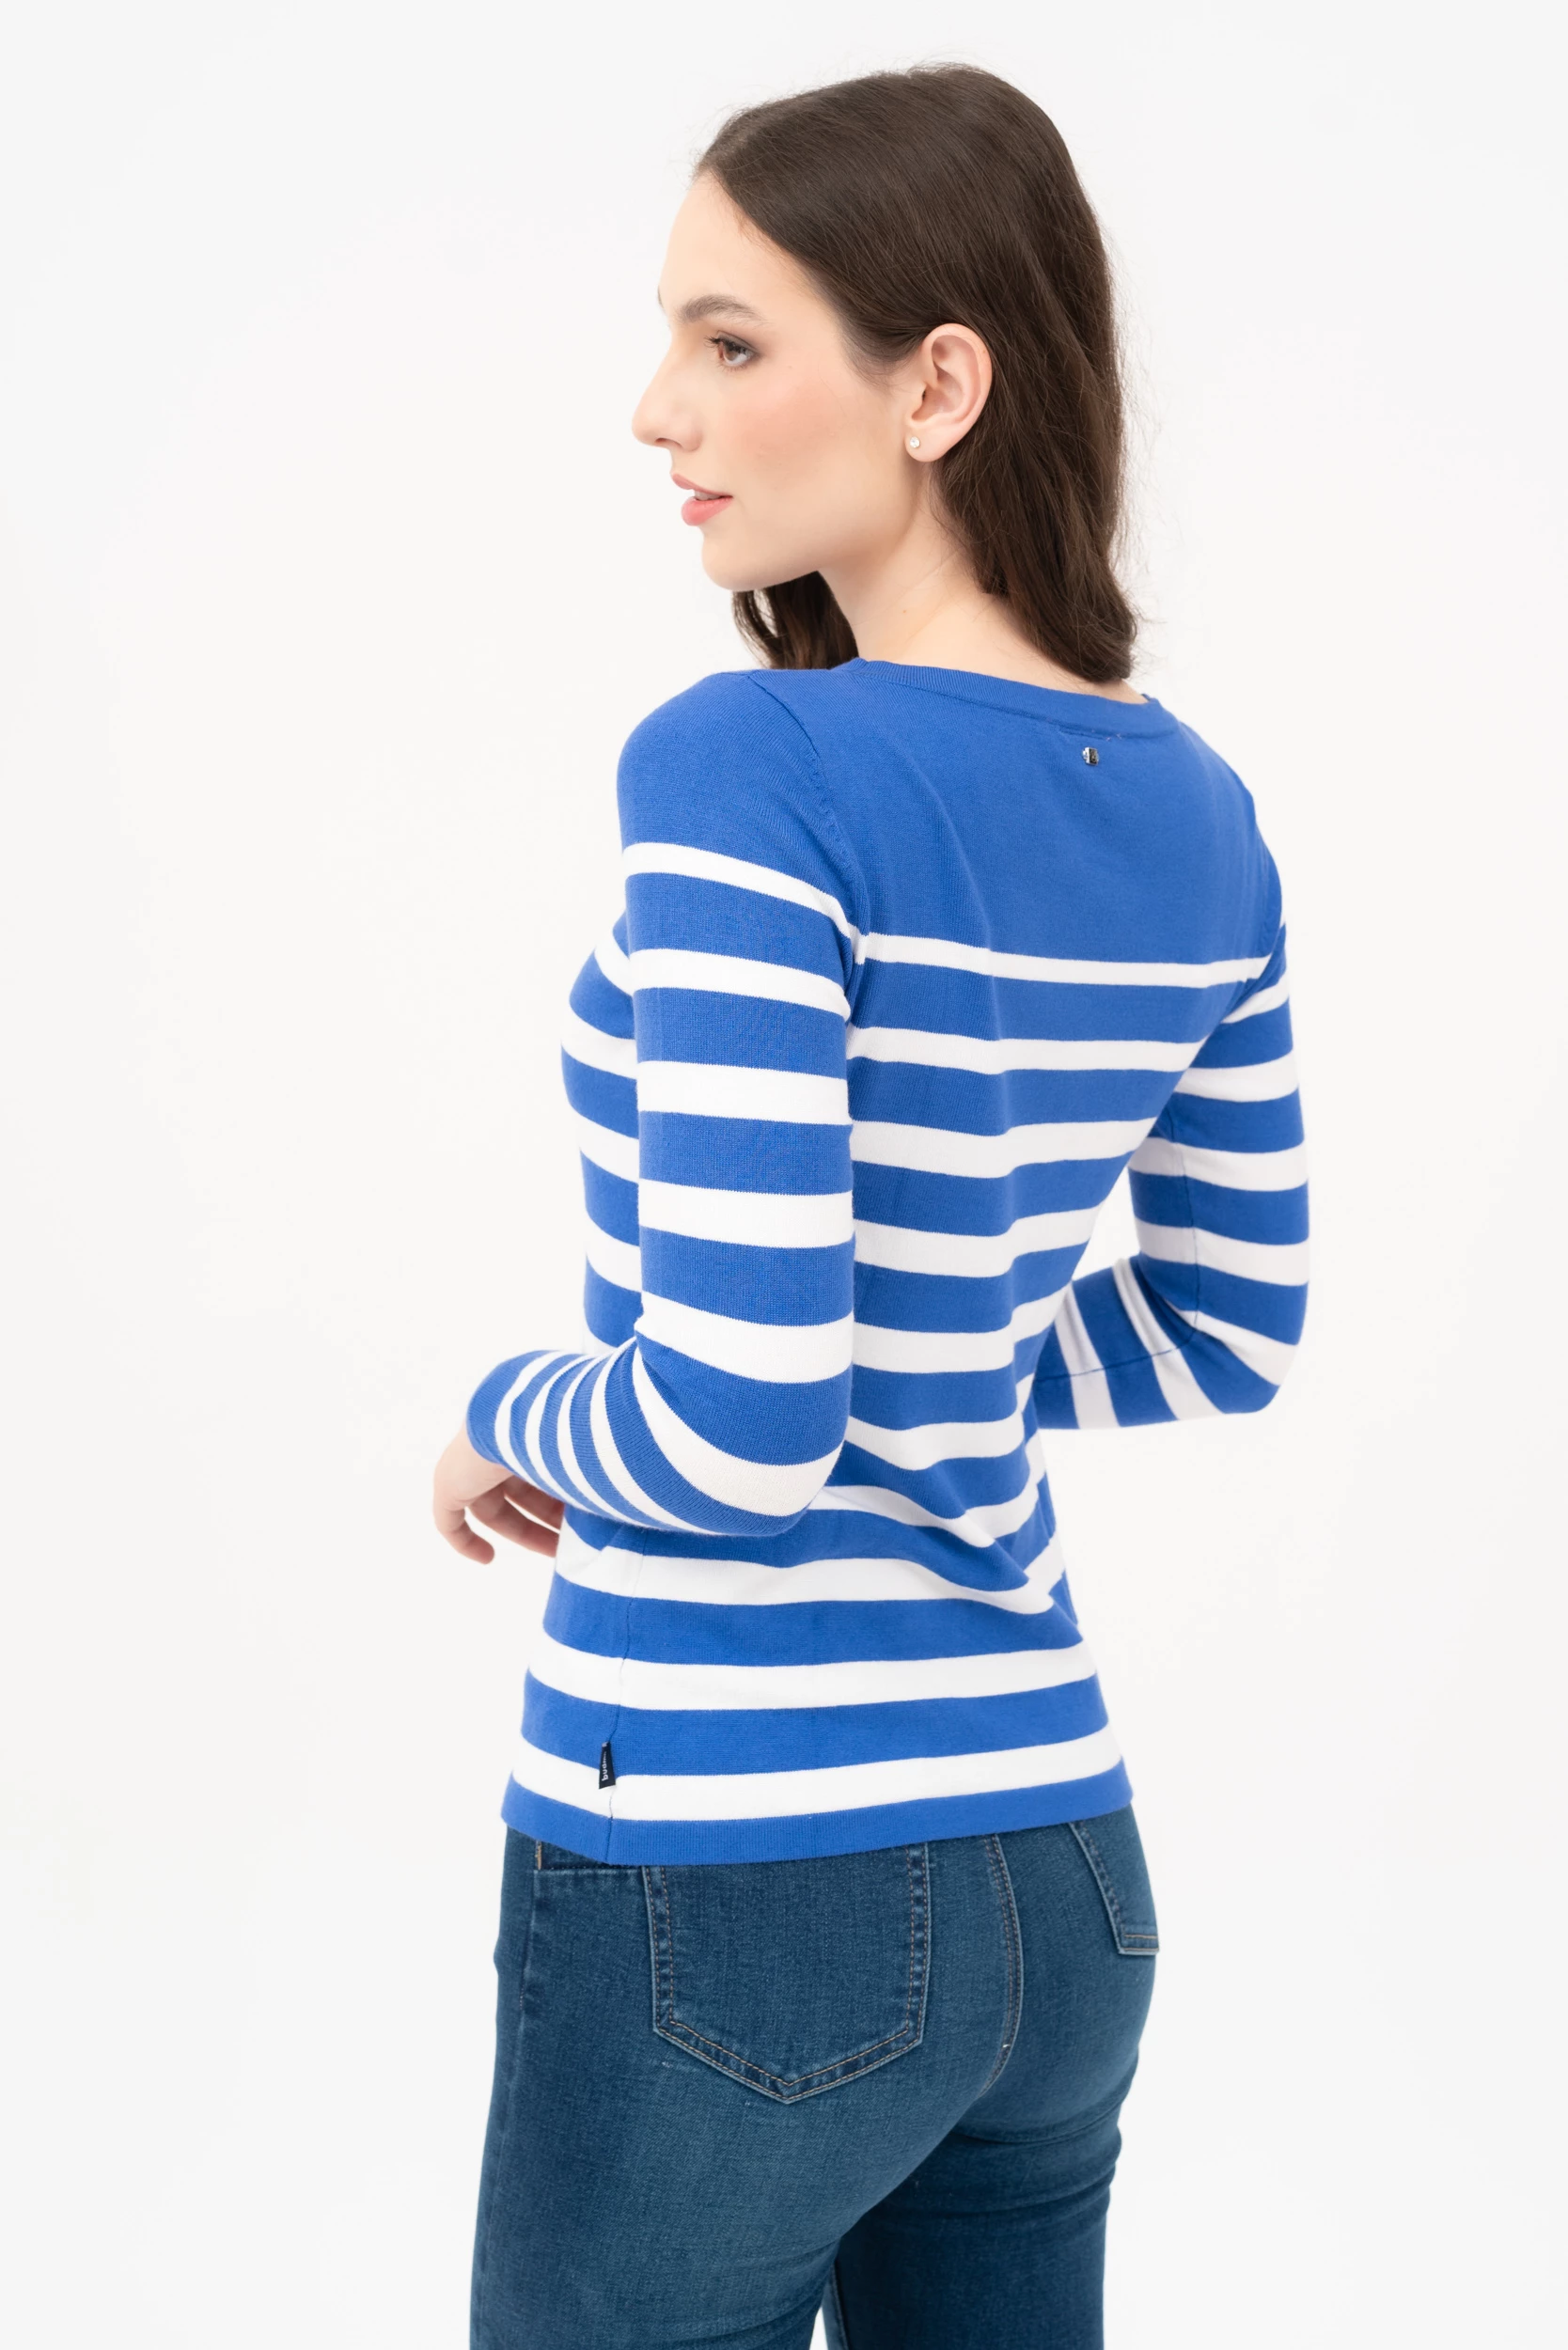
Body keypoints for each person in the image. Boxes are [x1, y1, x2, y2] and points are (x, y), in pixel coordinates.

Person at [432, 63, 1307, 2350]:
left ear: (938, 386)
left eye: (731, 341)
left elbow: (732, 1423)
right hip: (1055, 1866)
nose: (658, 407)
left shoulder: (749, 766)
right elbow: (1229, 1322)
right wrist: (930, 1361)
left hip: (736, 1868)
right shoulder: (1201, 813)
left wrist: (508, 1406)